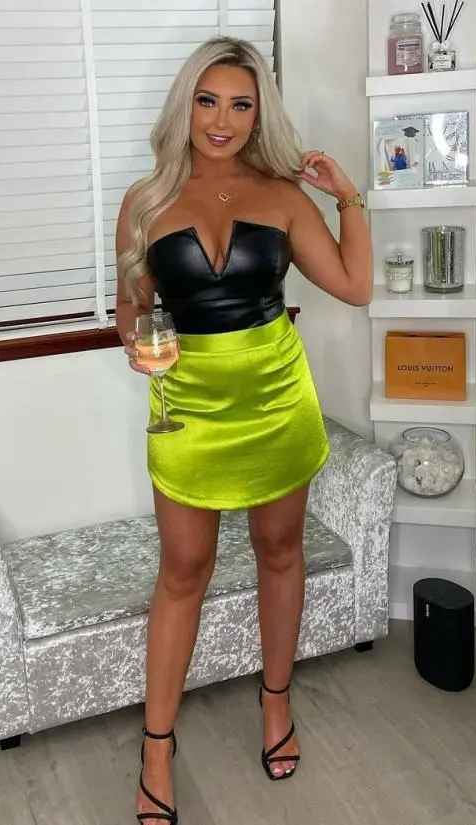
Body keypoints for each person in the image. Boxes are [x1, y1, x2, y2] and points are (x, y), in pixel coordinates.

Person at [114, 36, 372, 825]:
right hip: (189, 406)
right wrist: (137, 344)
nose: (221, 120)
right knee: (181, 572)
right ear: (185, 106)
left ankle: (275, 700)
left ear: (260, 115)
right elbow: (132, 310)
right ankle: (157, 747)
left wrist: (348, 197)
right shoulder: (145, 200)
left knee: (280, 552)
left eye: (240, 104)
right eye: (207, 101)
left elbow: (356, 286)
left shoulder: (283, 195)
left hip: (275, 399)